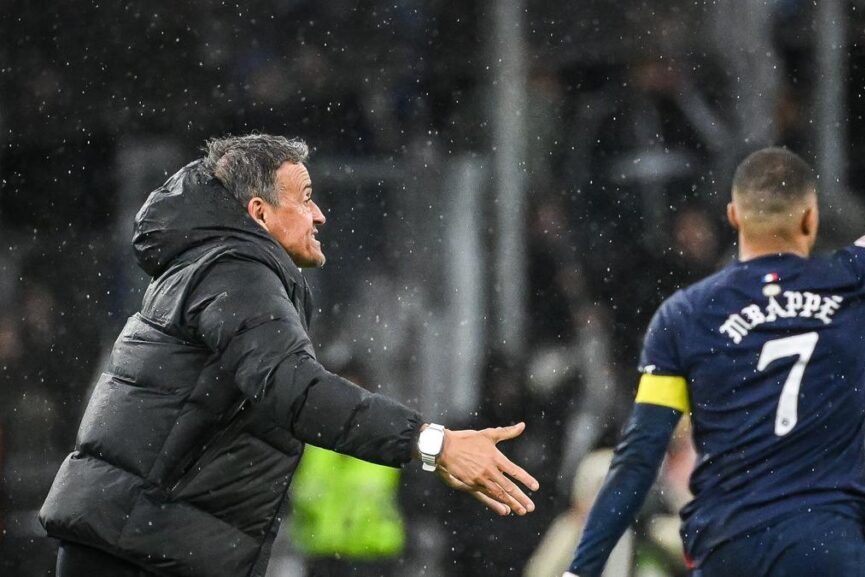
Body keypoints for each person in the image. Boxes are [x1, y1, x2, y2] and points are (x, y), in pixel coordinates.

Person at [38, 135, 540, 577]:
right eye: (305, 198)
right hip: (139, 546)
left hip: (141, 538)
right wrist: (433, 444)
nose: (319, 214)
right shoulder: (236, 270)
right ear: (260, 213)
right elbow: (296, 390)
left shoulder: (211, 266)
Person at [563, 17, 865, 577]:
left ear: (733, 216)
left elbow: (639, 457)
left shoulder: (684, 316)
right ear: (812, 219)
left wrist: (580, 570)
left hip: (731, 545)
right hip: (825, 546)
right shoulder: (855, 280)